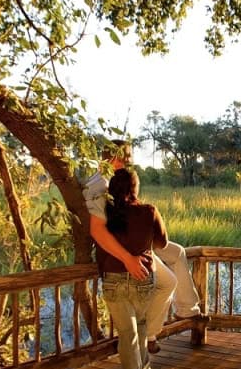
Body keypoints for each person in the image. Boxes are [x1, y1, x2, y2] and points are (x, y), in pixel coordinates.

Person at [83, 140, 206, 354]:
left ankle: (184, 310)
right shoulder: (100, 184)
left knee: (176, 255)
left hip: (136, 243)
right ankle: (149, 334)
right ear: (116, 158)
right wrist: (128, 259)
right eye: (128, 158)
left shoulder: (113, 180)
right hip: (122, 249)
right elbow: (97, 230)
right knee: (168, 281)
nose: (131, 162)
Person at [98, 168, 166, 369]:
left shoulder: (105, 213)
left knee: (128, 334)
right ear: (135, 188)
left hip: (113, 279)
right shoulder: (149, 211)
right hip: (142, 277)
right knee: (141, 324)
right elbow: (162, 242)